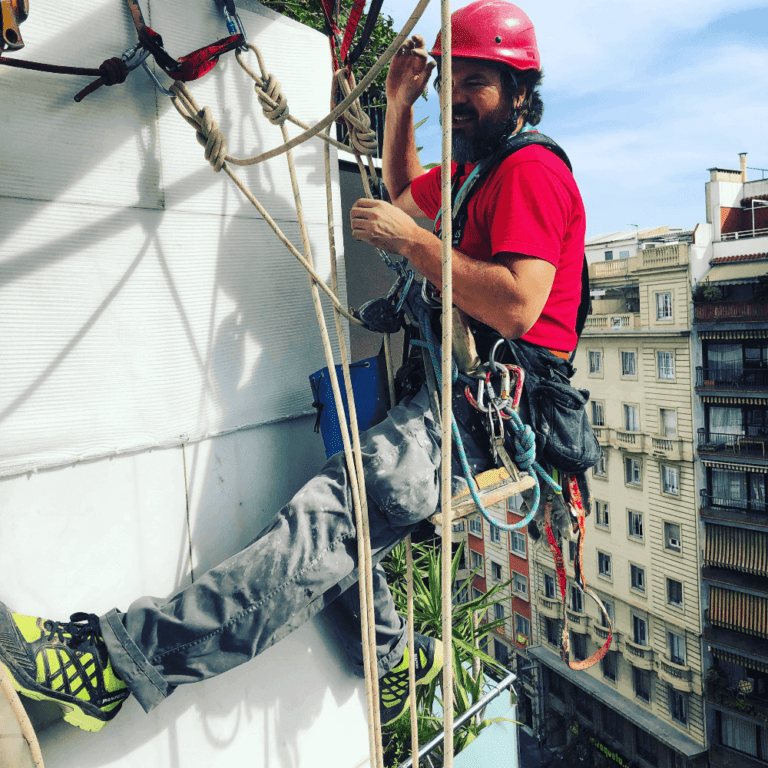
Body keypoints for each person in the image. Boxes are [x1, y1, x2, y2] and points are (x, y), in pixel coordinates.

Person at [0, 0, 585, 737]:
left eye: (479, 82)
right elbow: (406, 197)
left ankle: (113, 667)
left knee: (336, 514)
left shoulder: (527, 170)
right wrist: (400, 105)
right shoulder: (472, 173)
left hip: (490, 412)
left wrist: (412, 245)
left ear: (521, 92)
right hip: (455, 391)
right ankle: (394, 659)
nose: (458, 97)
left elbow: (518, 305)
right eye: (452, 82)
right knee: (342, 498)